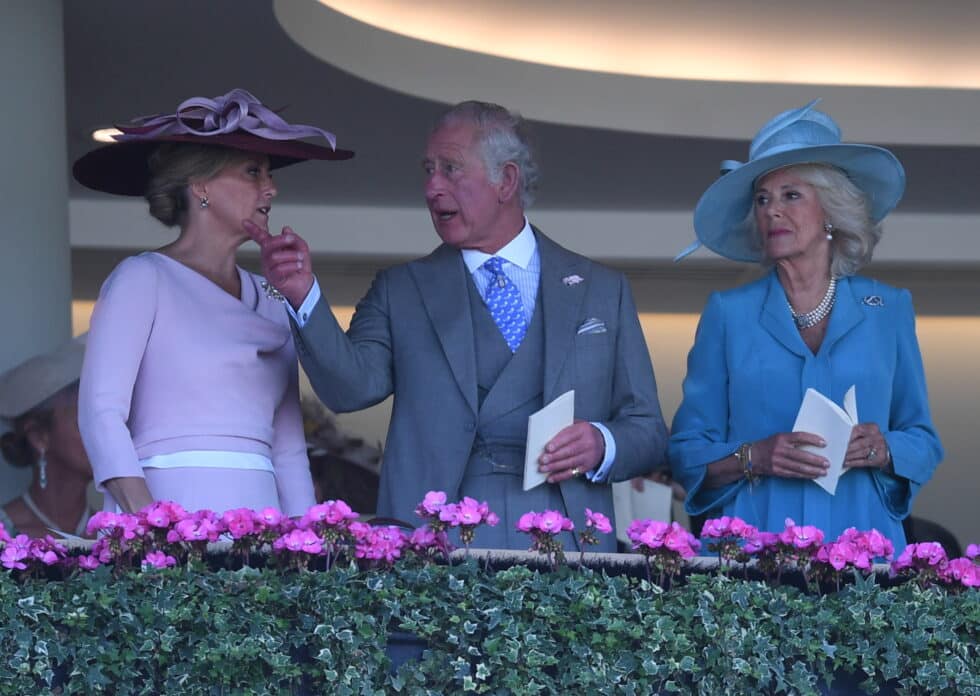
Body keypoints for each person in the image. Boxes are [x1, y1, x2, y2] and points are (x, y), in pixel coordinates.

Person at [251, 101, 668, 550]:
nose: (432, 187)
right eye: (427, 170)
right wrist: (302, 294)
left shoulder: (602, 290)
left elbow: (648, 430)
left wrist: (602, 444)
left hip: (567, 545)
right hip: (436, 543)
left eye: (450, 169)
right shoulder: (401, 290)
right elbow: (349, 389)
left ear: (505, 180)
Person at [669, 100, 943, 552]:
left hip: (863, 548)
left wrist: (884, 448)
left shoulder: (889, 309)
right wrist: (754, 456)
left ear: (831, 212)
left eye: (790, 195)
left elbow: (923, 441)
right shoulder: (728, 313)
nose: (772, 211)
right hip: (754, 552)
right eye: (762, 199)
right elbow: (685, 451)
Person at [73, 89, 353, 516]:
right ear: (200, 185)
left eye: (269, 174)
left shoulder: (272, 296)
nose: (272, 187)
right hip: (168, 511)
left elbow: (290, 450)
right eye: (253, 172)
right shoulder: (142, 278)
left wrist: (304, 546)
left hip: (260, 522)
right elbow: (101, 414)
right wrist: (152, 526)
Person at [0, 335, 94, 538]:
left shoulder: (118, 536)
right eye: (85, 419)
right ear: (39, 437)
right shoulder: (5, 536)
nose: (103, 433)